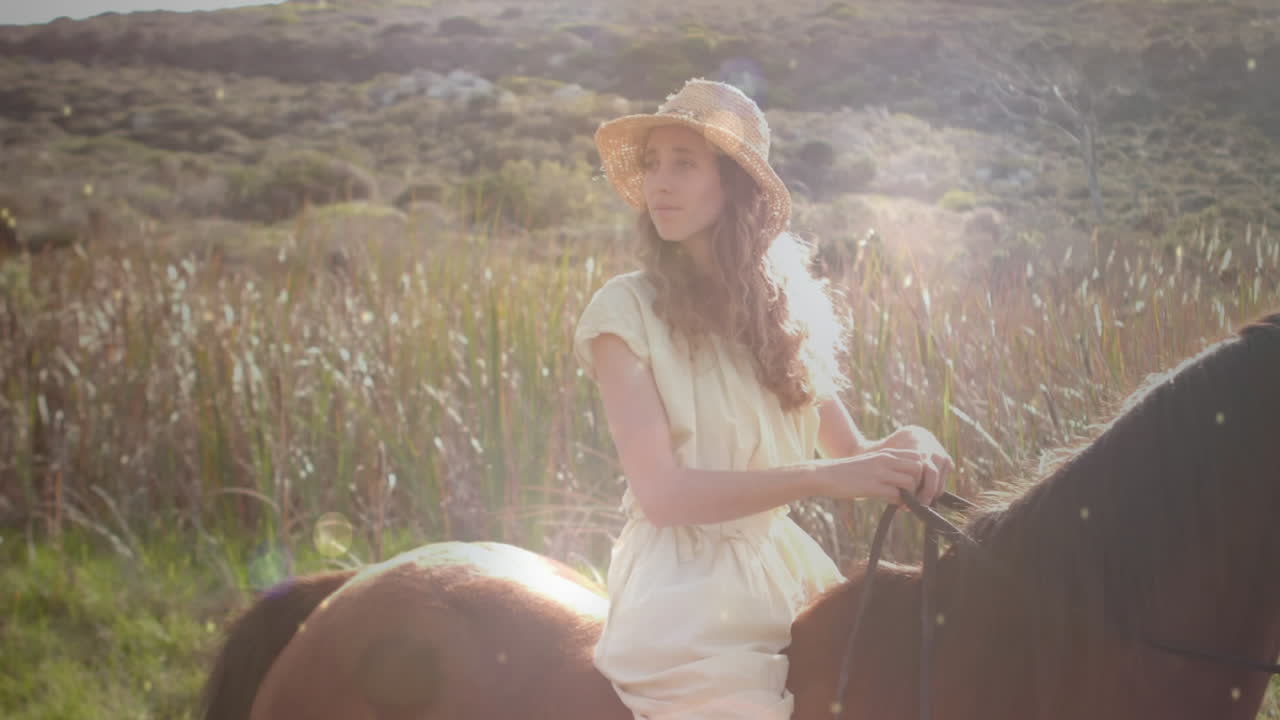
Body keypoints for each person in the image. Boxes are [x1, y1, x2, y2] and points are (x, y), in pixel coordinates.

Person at [573, 78, 954, 719]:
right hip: (682, 592)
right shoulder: (624, 309)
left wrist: (915, 440)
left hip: (783, 571)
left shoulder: (785, 316)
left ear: (734, 187)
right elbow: (664, 496)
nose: (658, 184)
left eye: (684, 164)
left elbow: (853, 453)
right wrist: (822, 478)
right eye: (653, 164)